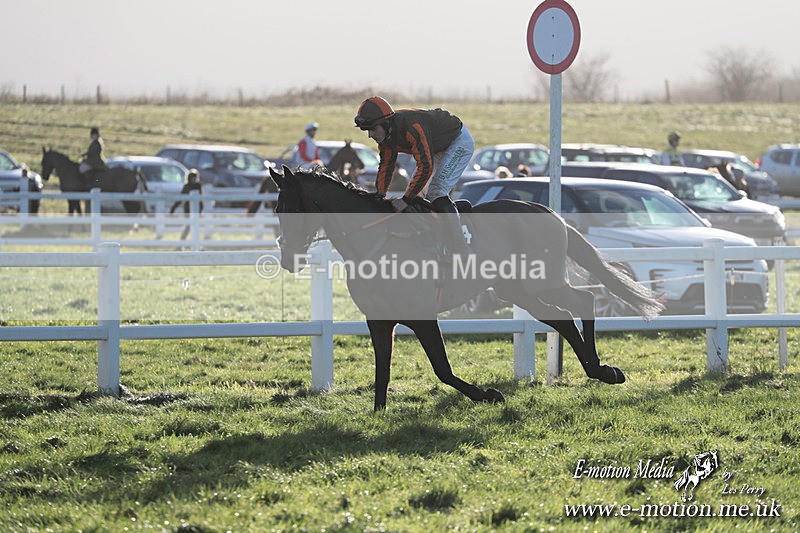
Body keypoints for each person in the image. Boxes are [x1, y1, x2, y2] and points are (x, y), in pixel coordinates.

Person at [354, 96, 474, 256]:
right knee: (417, 196)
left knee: (436, 192)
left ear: (385, 123)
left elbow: (425, 167)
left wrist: (405, 199)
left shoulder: (412, 127)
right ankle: (433, 240)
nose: (370, 135)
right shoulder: (385, 138)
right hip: (437, 147)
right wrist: (379, 196)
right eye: (367, 130)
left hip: (457, 142)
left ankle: (461, 247)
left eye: (373, 129)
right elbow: (386, 167)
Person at [169, 168, 203, 241]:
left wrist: (201, 209)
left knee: (194, 226)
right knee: (189, 225)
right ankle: (184, 240)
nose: (193, 179)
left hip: (196, 209)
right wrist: (173, 208)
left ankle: (189, 241)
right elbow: (181, 198)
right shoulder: (187, 186)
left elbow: (200, 199)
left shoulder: (198, 185)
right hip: (188, 209)